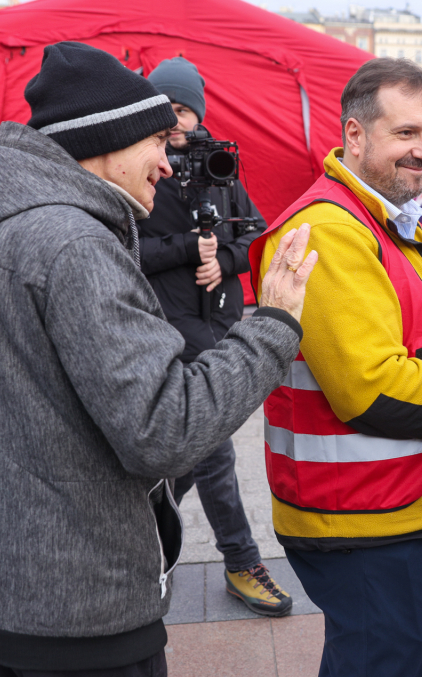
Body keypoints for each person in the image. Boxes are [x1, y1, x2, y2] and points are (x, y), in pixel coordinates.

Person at [0, 42, 316, 677]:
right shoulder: (74, 244)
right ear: (106, 142)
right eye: (157, 141)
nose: (167, 163)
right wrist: (274, 324)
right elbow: (168, 430)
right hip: (80, 618)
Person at [250, 57, 422, 677]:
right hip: (366, 517)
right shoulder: (333, 231)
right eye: (406, 133)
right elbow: (373, 389)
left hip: (388, 507)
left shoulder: (380, 218)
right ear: (355, 135)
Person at [139, 57, 290, 616]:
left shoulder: (220, 164)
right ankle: (240, 561)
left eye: (184, 109)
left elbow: (257, 235)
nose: (176, 121)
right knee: (212, 445)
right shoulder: (140, 166)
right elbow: (122, 249)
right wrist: (188, 250)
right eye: (166, 109)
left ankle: (140, 544)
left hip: (219, 321)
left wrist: (224, 260)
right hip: (169, 325)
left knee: (185, 456)